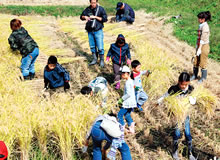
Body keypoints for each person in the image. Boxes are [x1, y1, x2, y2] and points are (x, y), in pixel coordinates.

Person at [157, 72, 196, 160]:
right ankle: (175, 152)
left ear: (189, 82)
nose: (183, 86)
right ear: (178, 82)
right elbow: (165, 96)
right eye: (181, 84)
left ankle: (190, 153)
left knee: (188, 133)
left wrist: (192, 100)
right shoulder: (173, 89)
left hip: (185, 114)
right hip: (177, 115)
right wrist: (158, 101)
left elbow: (194, 101)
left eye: (185, 84)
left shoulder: (191, 89)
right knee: (177, 133)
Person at [80, 0, 108, 67]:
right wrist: (85, 17)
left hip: (98, 30)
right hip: (90, 31)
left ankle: (101, 60)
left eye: (94, 3)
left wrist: (95, 17)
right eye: (92, 3)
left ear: (97, 2)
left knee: (100, 47)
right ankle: (95, 59)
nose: (93, 4)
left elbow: (105, 19)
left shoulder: (100, 9)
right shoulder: (88, 9)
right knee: (92, 46)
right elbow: (81, 16)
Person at [191, 11, 211, 83]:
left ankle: (203, 78)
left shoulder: (205, 27)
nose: (198, 19)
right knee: (196, 61)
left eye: (199, 18)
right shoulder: (201, 25)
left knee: (203, 63)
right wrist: (197, 46)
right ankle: (195, 75)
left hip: (204, 46)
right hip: (199, 45)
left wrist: (199, 48)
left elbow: (203, 39)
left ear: (203, 19)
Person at [117, 66, 136, 134]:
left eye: (122, 74)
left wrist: (121, 99)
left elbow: (128, 94)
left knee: (119, 115)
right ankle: (131, 127)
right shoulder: (131, 81)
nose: (121, 76)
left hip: (128, 103)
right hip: (132, 103)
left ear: (126, 74)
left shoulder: (128, 82)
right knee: (127, 114)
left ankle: (122, 127)